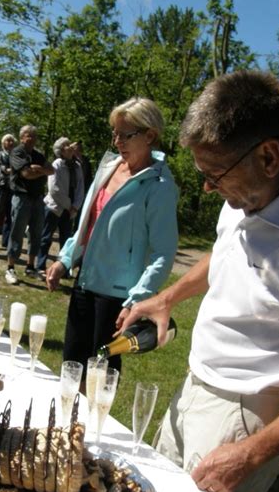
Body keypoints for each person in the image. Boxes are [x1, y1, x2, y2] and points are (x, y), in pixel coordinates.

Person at [121, 70, 279, 492]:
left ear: (268, 156)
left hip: (245, 412)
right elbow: (229, 251)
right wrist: (169, 298)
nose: (208, 188)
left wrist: (249, 454)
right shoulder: (255, 189)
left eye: (215, 174)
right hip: (196, 383)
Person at [46, 97, 179, 377]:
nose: (117, 141)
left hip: (117, 297)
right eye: (114, 133)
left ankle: (92, 422)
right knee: (71, 366)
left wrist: (137, 299)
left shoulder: (160, 186)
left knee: (100, 373)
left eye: (125, 134)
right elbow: (88, 222)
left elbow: (163, 253)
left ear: (150, 136)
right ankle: (68, 421)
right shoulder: (110, 167)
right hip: (85, 283)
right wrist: (65, 259)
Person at [5, 125, 54, 285]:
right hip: (22, 197)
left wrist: (37, 169)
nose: (32, 138)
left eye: (34, 135)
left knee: (36, 233)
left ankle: (30, 266)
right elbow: (26, 174)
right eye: (28, 135)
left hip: (38, 198)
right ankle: (11, 268)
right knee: (17, 232)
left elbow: (51, 170)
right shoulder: (17, 152)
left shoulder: (38, 155)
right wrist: (40, 171)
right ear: (21, 137)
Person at [36, 137, 84, 278]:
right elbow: (54, 189)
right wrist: (70, 205)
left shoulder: (77, 165)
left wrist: (76, 206)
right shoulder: (56, 164)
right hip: (54, 207)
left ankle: (63, 269)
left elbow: (81, 187)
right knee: (46, 238)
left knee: (66, 240)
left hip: (69, 210)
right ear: (61, 151)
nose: (71, 147)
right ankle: (40, 266)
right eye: (67, 145)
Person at [72, 140, 92, 232]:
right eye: (77, 146)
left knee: (80, 212)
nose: (79, 147)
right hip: (72, 190)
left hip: (83, 190)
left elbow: (89, 176)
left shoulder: (86, 160)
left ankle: (76, 230)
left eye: (80, 146)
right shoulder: (70, 160)